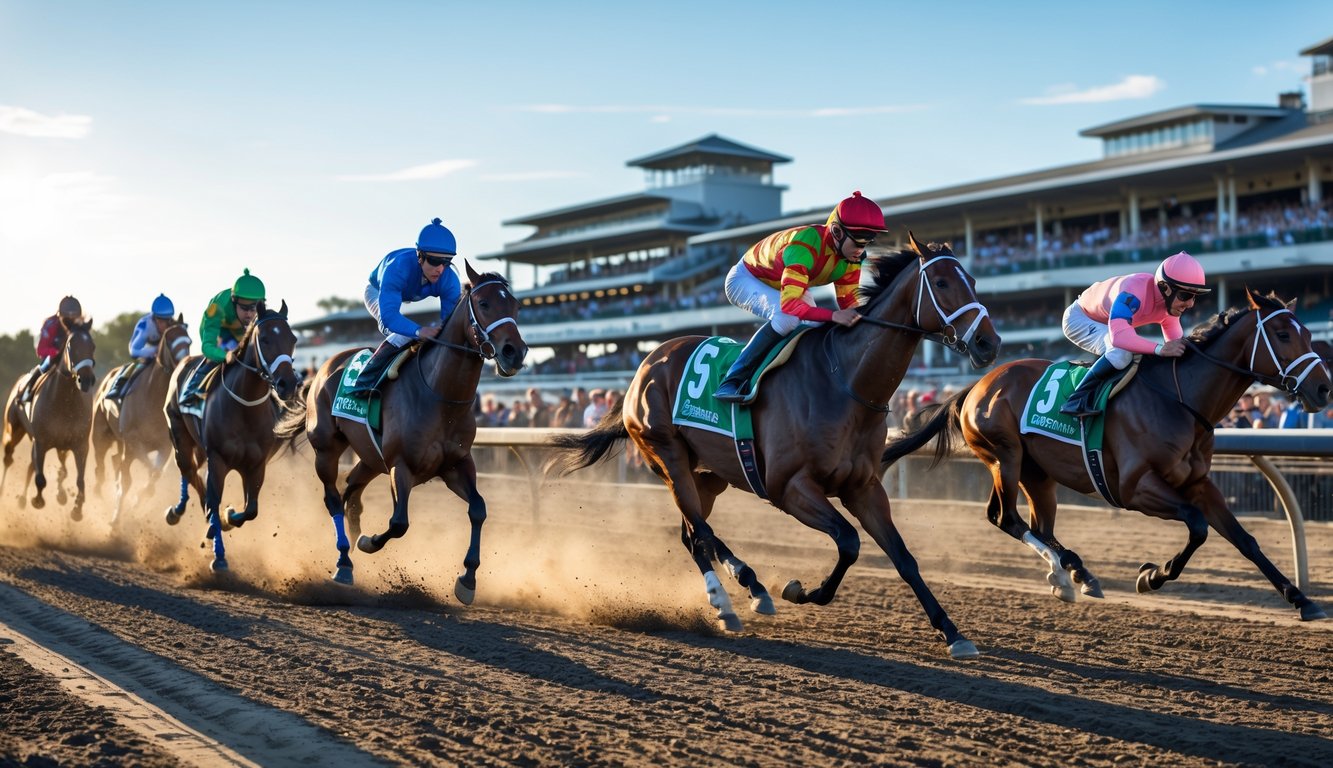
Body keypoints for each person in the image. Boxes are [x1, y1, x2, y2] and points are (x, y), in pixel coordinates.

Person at [714, 191, 887, 402]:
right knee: (787, 319)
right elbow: (789, 307)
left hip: (786, 283)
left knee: (815, 328)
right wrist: (833, 316)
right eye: (858, 241)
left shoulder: (851, 258)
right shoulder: (805, 245)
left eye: (867, 242)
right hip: (746, 278)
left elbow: (848, 305)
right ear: (837, 232)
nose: (861, 249)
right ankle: (732, 379)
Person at [1059, 251, 1209, 417]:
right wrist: (1160, 349)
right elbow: (1119, 337)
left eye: (1195, 296)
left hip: (1109, 322)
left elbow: (1176, 346)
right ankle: (1076, 400)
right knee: (1120, 353)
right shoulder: (1133, 292)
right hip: (1080, 318)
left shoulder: (1170, 307)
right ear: (1165, 288)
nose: (1190, 303)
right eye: (1185, 295)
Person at [346, 217, 461, 396]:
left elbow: (449, 323)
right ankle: (363, 382)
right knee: (401, 333)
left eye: (446, 262)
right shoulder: (397, 269)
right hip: (378, 291)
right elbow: (390, 317)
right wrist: (418, 331)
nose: (440, 269)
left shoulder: (450, 279)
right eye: (434, 261)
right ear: (419, 257)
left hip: (411, 294)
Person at [181, 270, 266, 406]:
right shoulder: (217, 308)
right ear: (234, 301)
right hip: (218, 329)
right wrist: (224, 355)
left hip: (239, 331)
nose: (249, 314)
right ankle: (192, 388)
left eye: (253, 308)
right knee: (226, 351)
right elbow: (207, 347)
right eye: (244, 308)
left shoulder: (257, 311)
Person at [105, 294, 176, 401]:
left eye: (167, 321)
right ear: (154, 318)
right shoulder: (145, 325)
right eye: (160, 321)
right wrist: (153, 351)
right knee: (137, 364)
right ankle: (119, 387)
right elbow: (134, 350)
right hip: (146, 353)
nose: (164, 325)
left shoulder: (172, 324)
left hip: (164, 355)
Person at [18, 296, 83, 404]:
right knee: (43, 368)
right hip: (53, 359)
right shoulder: (50, 324)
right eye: (69, 318)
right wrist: (55, 352)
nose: (72, 321)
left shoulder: (80, 325)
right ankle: (26, 394)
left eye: (74, 318)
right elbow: (41, 350)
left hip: (73, 360)